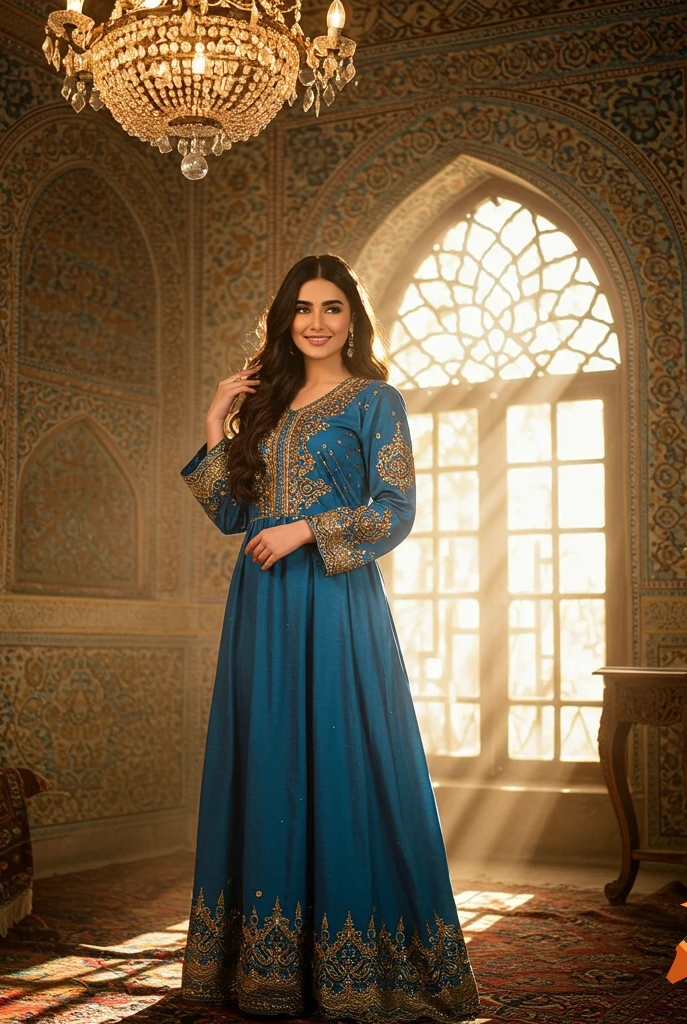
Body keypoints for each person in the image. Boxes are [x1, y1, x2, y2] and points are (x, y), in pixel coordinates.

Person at [179, 254, 480, 1021]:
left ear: (353, 320)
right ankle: (266, 969)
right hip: (261, 609)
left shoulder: (377, 401)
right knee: (269, 760)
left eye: (332, 308)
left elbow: (396, 509)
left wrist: (307, 529)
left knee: (344, 760)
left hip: (337, 603)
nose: (316, 322)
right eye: (303, 308)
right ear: (285, 320)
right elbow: (230, 514)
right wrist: (216, 422)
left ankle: (357, 968)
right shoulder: (266, 407)